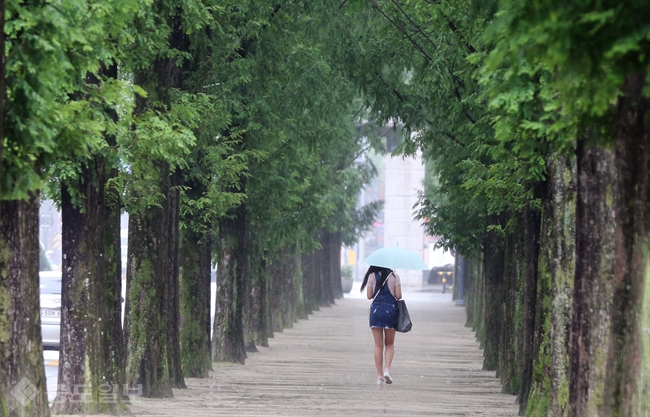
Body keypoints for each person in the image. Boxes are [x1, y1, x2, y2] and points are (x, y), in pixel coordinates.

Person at [361, 265, 402, 385]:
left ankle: (379, 376)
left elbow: (369, 296)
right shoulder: (395, 276)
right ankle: (387, 369)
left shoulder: (372, 276)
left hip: (376, 312)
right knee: (389, 344)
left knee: (378, 346)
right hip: (390, 311)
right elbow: (398, 296)